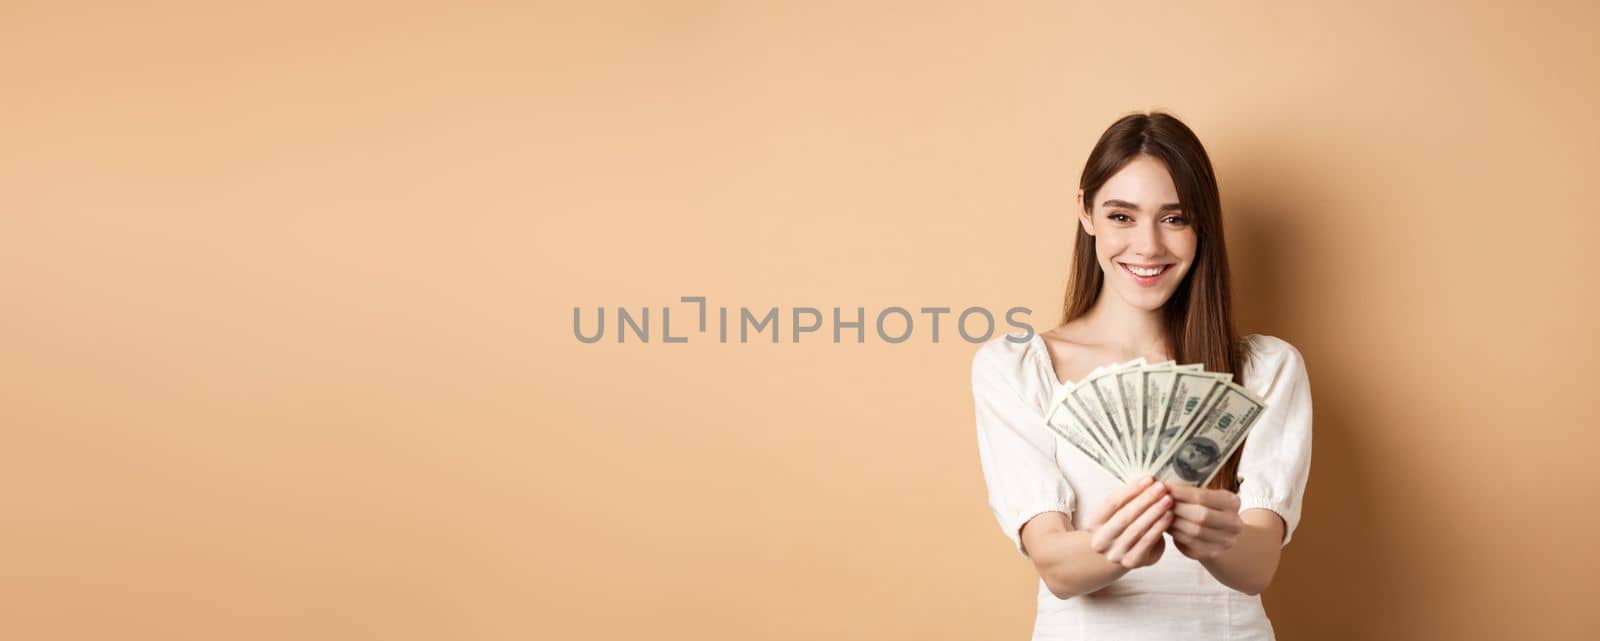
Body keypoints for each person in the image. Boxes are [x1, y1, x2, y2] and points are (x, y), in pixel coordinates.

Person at [971, 111, 1313, 640]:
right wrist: (1121, 545)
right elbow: (1057, 565)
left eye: (1174, 219)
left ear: (1202, 226)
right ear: (1085, 213)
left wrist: (1216, 537)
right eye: (1122, 216)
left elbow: (1259, 564)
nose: (1148, 246)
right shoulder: (1017, 368)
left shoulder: (1266, 369)